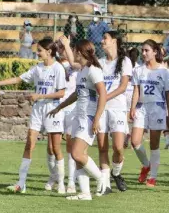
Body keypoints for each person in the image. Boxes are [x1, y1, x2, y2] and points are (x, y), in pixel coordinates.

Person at [0, 38, 67, 194]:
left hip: (53, 110)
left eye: (39, 50)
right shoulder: (37, 68)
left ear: (49, 51)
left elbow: (61, 93)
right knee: (29, 144)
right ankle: (21, 183)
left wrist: (39, 96)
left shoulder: (58, 68)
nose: (37, 53)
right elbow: (18, 78)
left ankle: (61, 183)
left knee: (55, 148)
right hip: (38, 110)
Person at [48, 39, 107, 201]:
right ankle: (85, 193)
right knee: (78, 157)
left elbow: (103, 95)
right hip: (78, 116)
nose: (72, 53)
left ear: (80, 52)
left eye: (73, 50)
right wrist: (60, 107)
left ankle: (102, 178)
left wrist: (96, 119)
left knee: (77, 153)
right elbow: (76, 94)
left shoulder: (93, 71)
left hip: (88, 117)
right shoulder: (82, 71)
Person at [130, 39, 169, 187]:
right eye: (142, 50)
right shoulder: (138, 70)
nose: (143, 53)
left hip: (158, 108)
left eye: (146, 50)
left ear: (155, 52)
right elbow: (136, 90)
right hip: (141, 107)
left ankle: (153, 177)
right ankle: (146, 165)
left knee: (154, 144)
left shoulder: (163, 71)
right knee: (135, 141)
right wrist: (132, 107)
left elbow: (168, 94)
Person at [97, 30, 133, 192]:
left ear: (114, 41)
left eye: (105, 38)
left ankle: (116, 173)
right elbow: (78, 64)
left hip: (118, 109)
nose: (102, 41)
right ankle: (105, 185)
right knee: (103, 148)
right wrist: (68, 48)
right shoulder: (100, 62)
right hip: (102, 110)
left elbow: (123, 87)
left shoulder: (125, 61)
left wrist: (105, 97)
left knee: (118, 147)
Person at [44, 39, 79, 194]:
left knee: (70, 146)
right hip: (56, 107)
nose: (61, 49)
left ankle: (71, 181)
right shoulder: (54, 65)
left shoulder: (77, 65)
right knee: (52, 147)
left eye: (64, 47)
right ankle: (55, 177)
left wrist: (67, 46)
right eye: (58, 47)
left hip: (72, 108)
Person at [125, 47, 140, 148]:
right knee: (135, 117)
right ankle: (133, 138)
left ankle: (126, 135)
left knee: (124, 117)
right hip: (134, 93)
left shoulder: (126, 65)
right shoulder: (139, 67)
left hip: (125, 92)